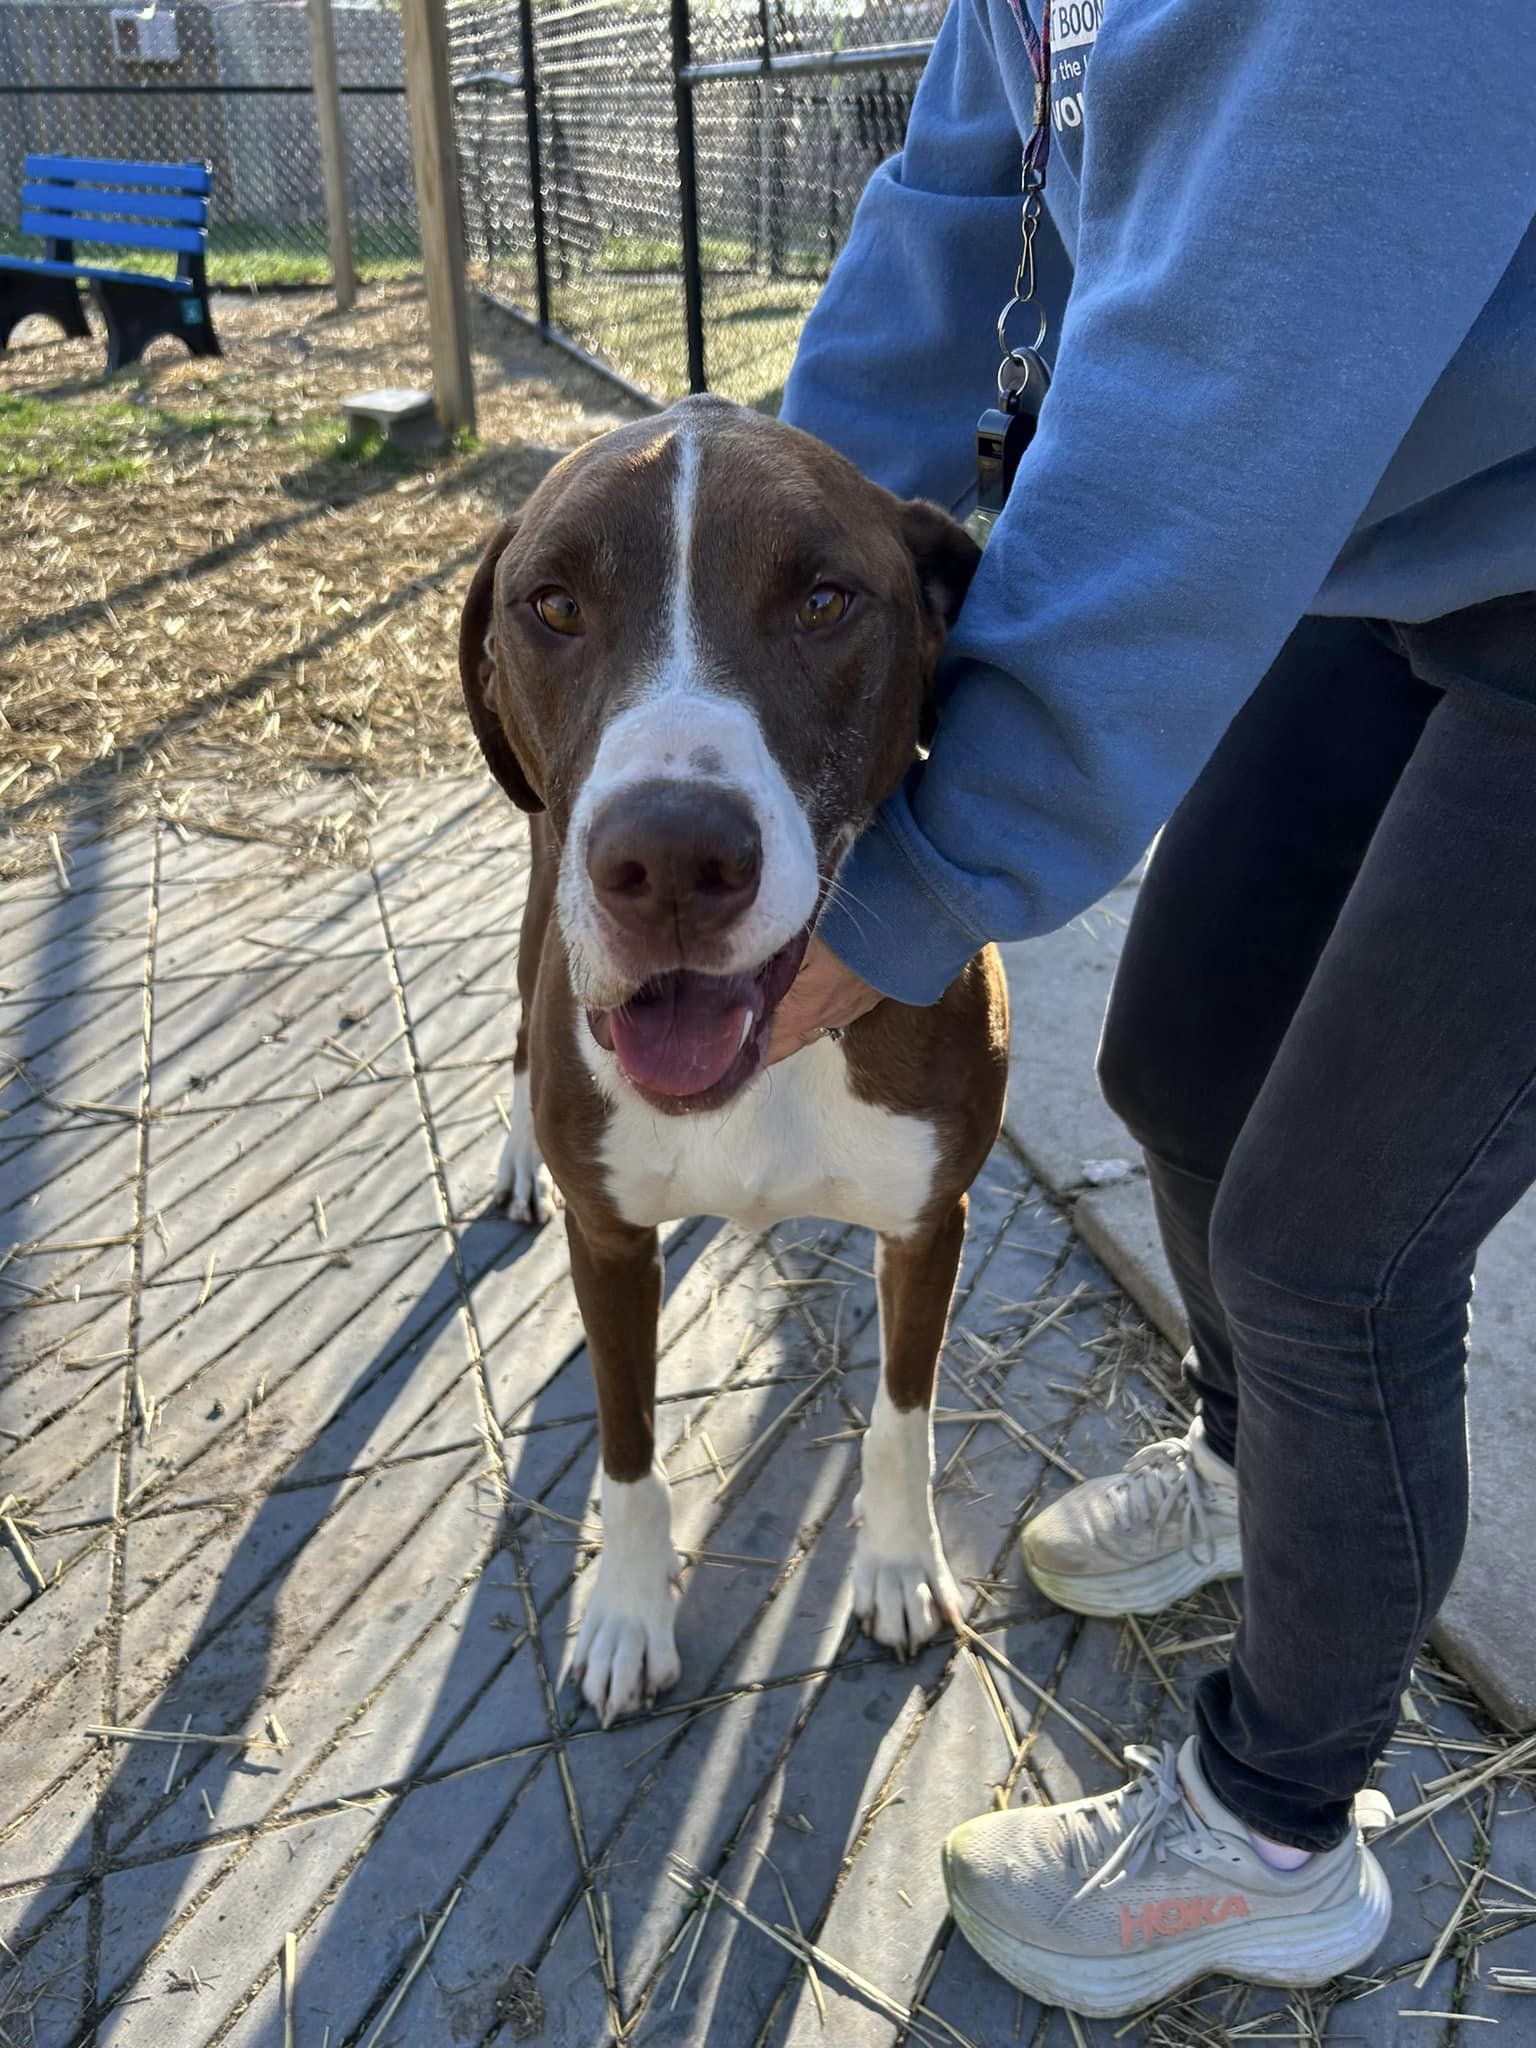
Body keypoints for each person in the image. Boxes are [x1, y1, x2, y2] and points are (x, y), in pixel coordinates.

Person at [765, 0, 1536, 2019]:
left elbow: (1208, 395)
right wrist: (757, 647)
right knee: (1176, 1061)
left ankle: (1275, 1836)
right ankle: (1250, 1451)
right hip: (1421, 548)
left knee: (1330, 1249)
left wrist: (913, 886)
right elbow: (949, 235)